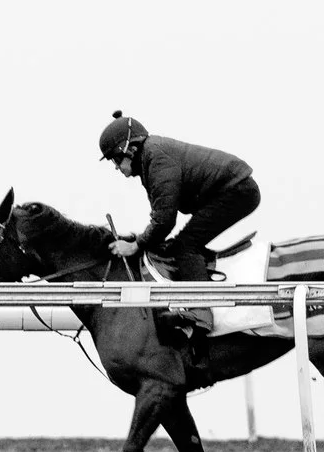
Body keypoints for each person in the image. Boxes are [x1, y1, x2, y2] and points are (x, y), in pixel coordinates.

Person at [97, 110, 261, 335]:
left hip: (237, 190)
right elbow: (161, 217)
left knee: (185, 246)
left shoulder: (156, 160)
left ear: (131, 149)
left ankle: (201, 314)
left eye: (116, 160)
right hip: (232, 188)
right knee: (180, 243)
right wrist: (144, 239)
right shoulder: (150, 158)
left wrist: (136, 245)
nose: (116, 167)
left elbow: (164, 221)